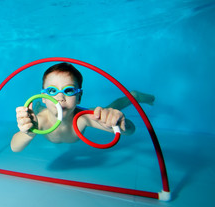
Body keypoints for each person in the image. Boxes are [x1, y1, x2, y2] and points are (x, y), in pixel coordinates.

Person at [10, 62, 155, 152]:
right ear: (43, 97)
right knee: (37, 111)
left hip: (80, 113)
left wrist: (118, 122)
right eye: (52, 91)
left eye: (68, 90)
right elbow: (15, 147)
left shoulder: (83, 119)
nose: (60, 98)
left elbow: (130, 131)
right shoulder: (40, 121)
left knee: (106, 111)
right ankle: (37, 105)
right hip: (43, 111)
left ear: (79, 97)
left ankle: (134, 97)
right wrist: (29, 132)